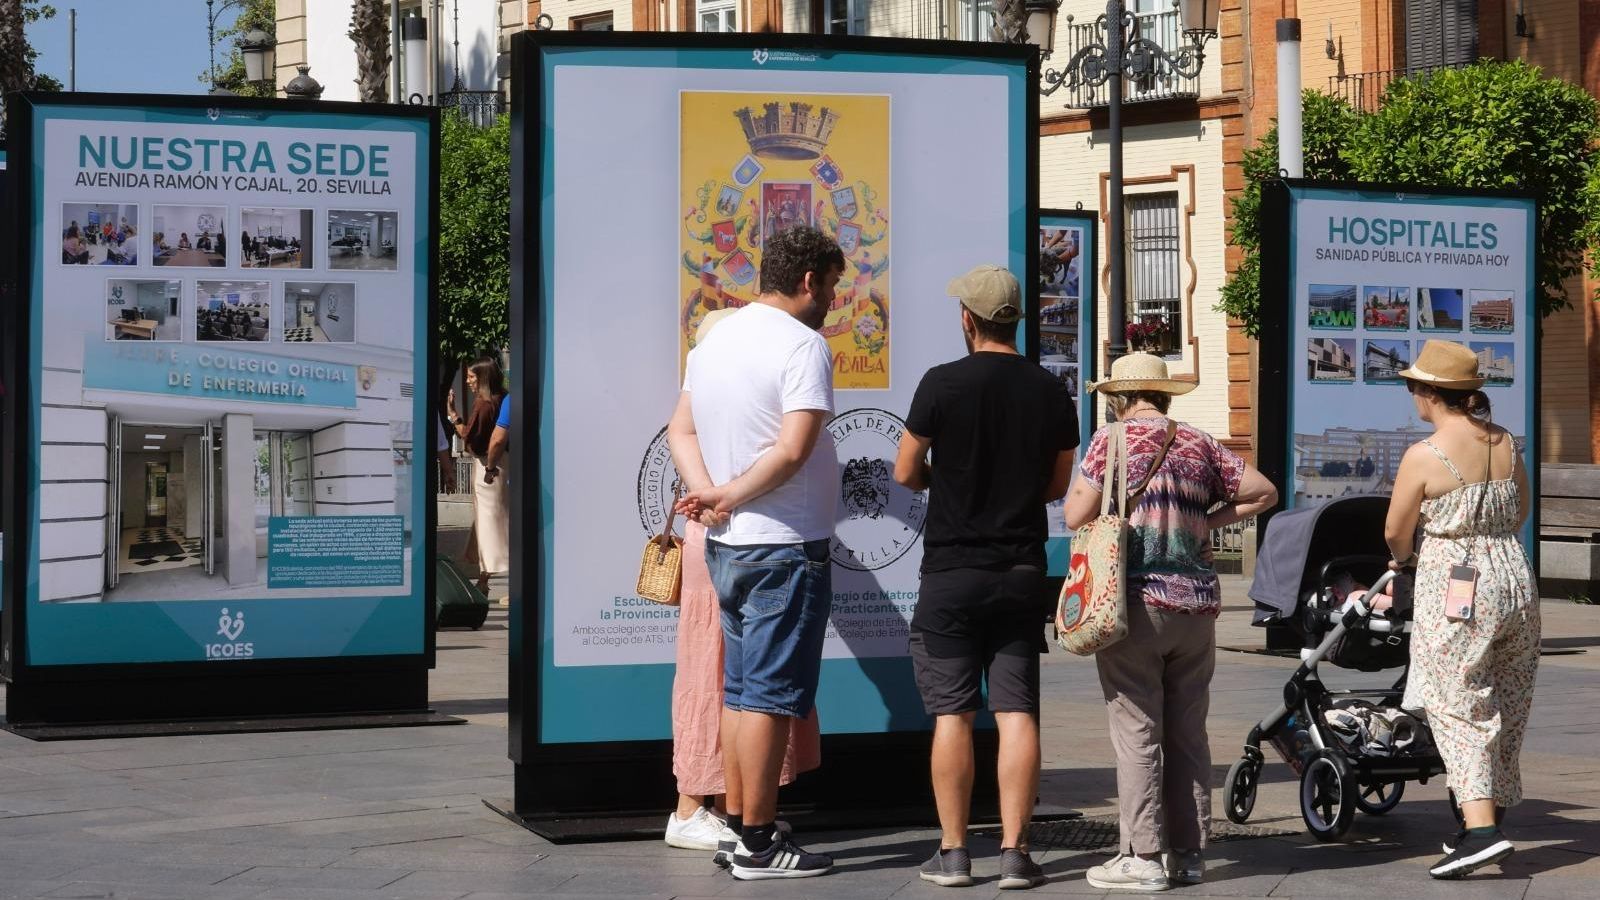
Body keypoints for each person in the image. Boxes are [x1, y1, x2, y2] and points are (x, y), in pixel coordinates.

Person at [892, 265, 1079, 891]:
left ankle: (952, 853)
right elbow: (1058, 484)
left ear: (967, 320)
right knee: (1017, 711)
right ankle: (1016, 854)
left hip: (951, 570)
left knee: (952, 715)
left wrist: (939, 480)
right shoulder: (1051, 391)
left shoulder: (942, 384)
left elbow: (903, 471)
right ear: (1016, 319)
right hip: (1022, 571)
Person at [1063, 352, 1277, 892]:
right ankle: (1188, 853)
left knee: (1136, 729)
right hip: (1197, 607)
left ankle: (1142, 854)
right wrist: (1206, 518)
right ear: (1162, 396)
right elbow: (1264, 492)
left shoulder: (1110, 442)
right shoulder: (1200, 442)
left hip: (1132, 604)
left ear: (1119, 396)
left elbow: (1074, 514)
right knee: (1187, 731)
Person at [667, 225, 844, 880]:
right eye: (830, 284)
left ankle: (742, 828)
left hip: (731, 545)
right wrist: (730, 494)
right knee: (766, 697)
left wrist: (709, 492)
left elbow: (679, 427)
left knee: (743, 693)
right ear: (807, 281)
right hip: (783, 544)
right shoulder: (804, 345)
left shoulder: (716, 339)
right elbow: (794, 449)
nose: (831, 297)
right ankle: (759, 844)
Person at [1383, 339, 1537, 879]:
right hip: (1514, 574)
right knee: (1508, 693)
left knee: (1457, 701)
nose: (1412, 396)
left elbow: (1396, 532)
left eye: (1413, 387)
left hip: (1457, 579)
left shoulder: (1424, 454)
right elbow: (1519, 506)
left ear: (1429, 392)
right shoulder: (1507, 444)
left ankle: (1481, 832)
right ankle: (1484, 815)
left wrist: (1404, 561)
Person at [446, 358, 510, 596]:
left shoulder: (484, 405)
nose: (468, 381)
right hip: (499, 464)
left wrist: (453, 416)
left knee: (489, 521)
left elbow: (473, 439)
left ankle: (484, 578)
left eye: (471, 377)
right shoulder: (503, 398)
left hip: (488, 466)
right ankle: (482, 575)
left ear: (482, 378)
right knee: (489, 518)